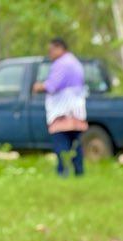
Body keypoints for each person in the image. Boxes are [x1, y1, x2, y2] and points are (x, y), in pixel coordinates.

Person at [32, 38, 87, 178]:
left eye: (51, 50)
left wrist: (39, 86)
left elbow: (52, 86)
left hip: (62, 110)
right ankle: (79, 172)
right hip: (76, 109)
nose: (49, 54)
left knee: (61, 143)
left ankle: (63, 172)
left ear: (59, 48)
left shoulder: (61, 64)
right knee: (75, 144)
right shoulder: (76, 62)